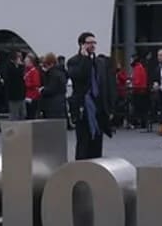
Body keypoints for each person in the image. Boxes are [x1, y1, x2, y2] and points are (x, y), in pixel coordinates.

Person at [66, 32, 117, 160]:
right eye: (89, 43)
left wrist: (110, 107)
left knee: (97, 141)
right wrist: (84, 59)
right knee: (84, 141)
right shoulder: (74, 61)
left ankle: (96, 167)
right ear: (82, 45)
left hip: (98, 106)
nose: (93, 45)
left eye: (94, 43)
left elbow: (107, 84)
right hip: (83, 107)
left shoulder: (100, 62)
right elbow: (79, 76)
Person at [39, 52, 67, 119]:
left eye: (46, 65)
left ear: (50, 64)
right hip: (61, 103)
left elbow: (51, 89)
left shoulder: (52, 74)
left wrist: (42, 90)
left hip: (52, 105)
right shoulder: (61, 72)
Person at [4, 51, 26, 121]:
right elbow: (17, 74)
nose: (20, 59)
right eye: (19, 57)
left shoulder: (17, 66)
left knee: (23, 113)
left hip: (21, 94)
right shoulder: (9, 66)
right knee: (14, 114)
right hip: (13, 95)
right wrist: (21, 66)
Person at [23, 53, 42, 121]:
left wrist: (27, 84)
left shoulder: (34, 71)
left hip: (33, 96)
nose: (25, 63)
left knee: (31, 114)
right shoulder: (27, 71)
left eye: (26, 61)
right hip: (28, 95)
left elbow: (36, 83)